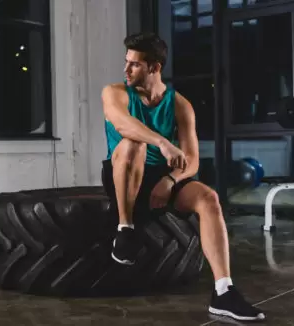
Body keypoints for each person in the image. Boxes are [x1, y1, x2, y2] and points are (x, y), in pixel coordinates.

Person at [100, 32, 265, 322]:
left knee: (208, 197)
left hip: (161, 178)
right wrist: (162, 142)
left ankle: (224, 291)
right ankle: (125, 228)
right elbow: (124, 125)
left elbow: (191, 161)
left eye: (134, 65)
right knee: (132, 144)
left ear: (155, 67)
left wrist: (171, 181)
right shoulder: (114, 93)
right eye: (126, 62)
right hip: (124, 173)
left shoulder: (180, 105)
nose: (126, 70)